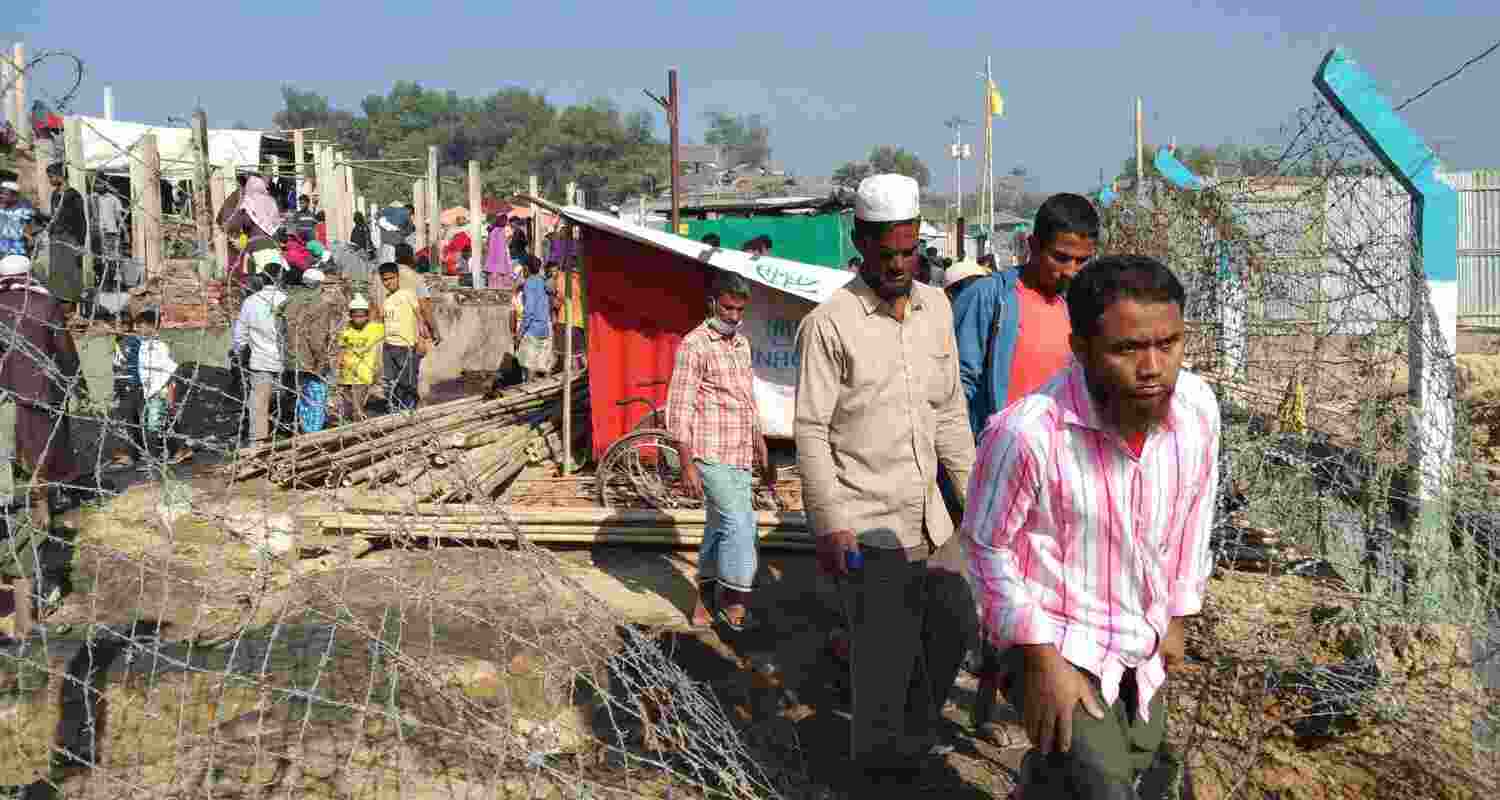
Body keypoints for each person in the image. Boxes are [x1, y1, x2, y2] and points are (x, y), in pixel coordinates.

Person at [962, 255, 1218, 797]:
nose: (1152, 367)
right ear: (1080, 348)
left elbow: (1196, 511)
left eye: (1168, 344)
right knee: (1106, 783)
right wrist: (1041, 660)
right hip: (1055, 638)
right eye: (1127, 349)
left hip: (1141, 635)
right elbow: (984, 547)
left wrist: (1178, 614)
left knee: (1140, 759)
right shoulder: (1027, 434)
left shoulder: (1196, 411)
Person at [793, 174, 977, 779]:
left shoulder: (937, 308)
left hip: (933, 521)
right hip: (868, 524)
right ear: (861, 242)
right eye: (886, 253)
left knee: (953, 627)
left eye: (908, 251)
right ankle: (873, 771)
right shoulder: (830, 324)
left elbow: (948, 413)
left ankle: (910, 747)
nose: (899, 264)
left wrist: (980, 501)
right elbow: (811, 431)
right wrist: (830, 524)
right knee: (884, 663)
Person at [951, 193, 1100, 739]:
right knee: (992, 591)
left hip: (1058, 478)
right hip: (997, 473)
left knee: (1042, 597)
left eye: (1081, 261)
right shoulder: (990, 300)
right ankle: (980, 706)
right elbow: (958, 387)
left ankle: (1014, 704)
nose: (1071, 271)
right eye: (1061, 258)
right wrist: (966, 465)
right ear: (1032, 246)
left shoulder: (1083, 310)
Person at [668, 271, 775, 630]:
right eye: (727, 308)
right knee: (739, 524)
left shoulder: (741, 345)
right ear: (712, 303)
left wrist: (760, 443)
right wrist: (686, 463)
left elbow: (747, 400)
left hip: (740, 451)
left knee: (719, 526)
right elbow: (679, 406)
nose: (733, 315)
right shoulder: (694, 344)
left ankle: (703, 596)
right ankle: (734, 599)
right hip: (708, 451)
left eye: (739, 310)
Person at [0, 254, 85, 642]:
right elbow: (64, 348)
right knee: (41, 464)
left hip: (7, 399)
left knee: (18, 466)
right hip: (41, 395)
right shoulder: (43, 302)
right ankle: (42, 521)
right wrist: (76, 381)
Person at [232, 262, 289, 442]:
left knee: (259, 403)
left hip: (260, 360)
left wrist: (240, 352)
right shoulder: (287, 300)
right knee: (288, 399)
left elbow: (240, 335)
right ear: (281, 279)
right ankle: (288, 435)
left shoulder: (250, 302)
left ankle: (258, 443)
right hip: (286, 360)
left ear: (262, 280)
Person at [281, 267, 339, 434]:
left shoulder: (289, 300)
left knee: (299, 396)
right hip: (310, 359)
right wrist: (321, 360)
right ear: (319, 285)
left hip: (290, 357)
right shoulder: (320, 303)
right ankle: (313, 434)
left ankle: (299, 428)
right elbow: (316, 337)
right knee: (315, 396)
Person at [135, 309, 193, 466]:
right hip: (151, 391)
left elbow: (171, 369)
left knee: (153, 425)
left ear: (152, 327)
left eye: (141, 325)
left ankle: (153, 458)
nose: (137, 329)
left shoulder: (159, 346)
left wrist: (168, 390)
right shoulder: (143, 345)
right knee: (166, 421)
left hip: (160, 390)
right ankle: (182, 449)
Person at [40, 163, 88, 320]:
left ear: (61, 176)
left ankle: (71, 310)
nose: (50, 180)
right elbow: (55, 217)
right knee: (56, 273)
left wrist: (80, 244)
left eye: (52, 177)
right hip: (56, 240)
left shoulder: (73, 195)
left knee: (70, 272)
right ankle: (59, 308)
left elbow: (81, 221)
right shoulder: (55, 194)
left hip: (70, 239)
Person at [378, 262, 422, 411]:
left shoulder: (407, 294)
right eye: (385, 280)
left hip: (406, 346)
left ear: (398, 277)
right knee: (391, 381)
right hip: (389, 346)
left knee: (408, 380)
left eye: (391, 278)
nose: (388, 282)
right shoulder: (386, 299)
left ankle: (410, 411)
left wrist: (422, 339)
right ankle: (396, 409)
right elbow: (383, 321)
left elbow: (419, 316)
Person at [336, 294, 385, 423]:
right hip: (346, 372)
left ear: (367, 315)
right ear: (351, 315)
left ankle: (357, 426)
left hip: (363, 374)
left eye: (362, 316)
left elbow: (382, 319)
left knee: (358, 405)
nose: (358, 319)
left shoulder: (375, 328)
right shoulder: (346, 328)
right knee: (346, 404)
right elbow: (342, 348)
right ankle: (348, 425)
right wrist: (338, 366)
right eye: (355, 316)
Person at [393, 244, 442, 349]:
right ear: (411, 258)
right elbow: (425, 307)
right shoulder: (416, 278)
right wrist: (435, 330)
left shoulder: (380, 276)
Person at [515, 257, 554, 383]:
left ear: (526, 268)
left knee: (529, 366)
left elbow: (529, 311)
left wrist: (520, 333)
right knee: (543, 366)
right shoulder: (543, 281)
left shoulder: (529, 284)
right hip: (545, 327)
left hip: (533, 330)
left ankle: (528, 386)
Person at [93, 179, 127, 283]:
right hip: (97, 233)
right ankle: (104, 280)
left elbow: (119, 217)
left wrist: (125, 231)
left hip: (110, 232)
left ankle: (111, 280)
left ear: (106, 184)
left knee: (111, 257)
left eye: (100, 184)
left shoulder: (113, 199)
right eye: (97, 184)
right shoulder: (94, 198)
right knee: (101, 258)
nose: (98, 186)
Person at [0, 179, 36, 257]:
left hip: (17, 249)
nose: (1, 196)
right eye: (1, 193)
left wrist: (29, 237)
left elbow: (28, 230)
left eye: (5, 194)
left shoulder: (23, 211)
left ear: (15, 197)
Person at [485, 212, 513, 290]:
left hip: (492, 264)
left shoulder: (492, 231)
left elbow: (488, 246)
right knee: (502, 287)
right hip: (502, 263)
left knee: (493, 287)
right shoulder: (504, 231)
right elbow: (507, 242)